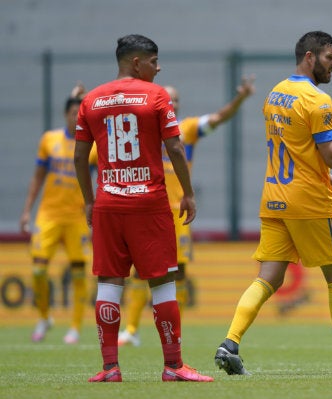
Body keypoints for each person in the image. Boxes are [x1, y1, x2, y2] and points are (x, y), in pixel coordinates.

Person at [213, 31, 332, 375]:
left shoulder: (276, 92)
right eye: (329, 57)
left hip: (275, 198)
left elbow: (295, 149)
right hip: (310, 203)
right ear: (310, 56)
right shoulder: (317, 100)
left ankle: (229, 342)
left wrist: (325, 176)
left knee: (268, 278)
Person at [74, 34, 213, 382]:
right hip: (149, 204)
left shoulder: (91, 99)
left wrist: (89, 201)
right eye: (154, 61)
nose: (158, 66)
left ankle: (109, 368)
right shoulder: (156, 95)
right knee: (163, 283)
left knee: (109, 283)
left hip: (107, 204)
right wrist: (189, 193)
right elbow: (177, 149)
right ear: (137, 63)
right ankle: (173, 366)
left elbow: (79, 156)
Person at [118, 76, 256, 347]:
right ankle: (131, 329)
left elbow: (217, 118)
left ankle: (173, 331)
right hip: (147, 210)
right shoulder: (142, 131)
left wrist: (240, 98)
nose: (174, 103)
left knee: (177, 272)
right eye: (169, 99)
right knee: (139, 271)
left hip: (177, 214)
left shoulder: (187, 129)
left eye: (177, 99)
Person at [20, 83, 96, 345]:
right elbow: (37, 178)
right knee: (39, 271)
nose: (76, 116)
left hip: (76, 218)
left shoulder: (93, 147)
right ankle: (44, 317)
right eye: (72, 112)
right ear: (65, 114)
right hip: (48, 215)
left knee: (78, 273)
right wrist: (27, 211)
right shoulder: (49, 140)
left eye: (80, 112)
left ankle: (75, 327)